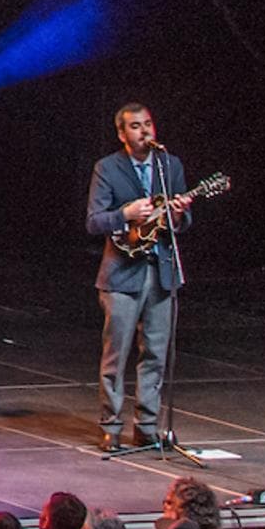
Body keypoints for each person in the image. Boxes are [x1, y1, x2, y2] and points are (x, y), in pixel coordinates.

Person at [87, 100, 192, 451]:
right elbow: (94, 221)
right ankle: (111, 426)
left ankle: (147, 425)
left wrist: (177, 215)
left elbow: (181, 223)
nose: (144, 131)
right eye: (135, 126)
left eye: (148, 123)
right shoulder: (108, 167)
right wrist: (125, 213)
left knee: (157, 353)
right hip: (122, 272)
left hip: (161, 270)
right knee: (116, 354)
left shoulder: (169, 165)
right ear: (122, 133)